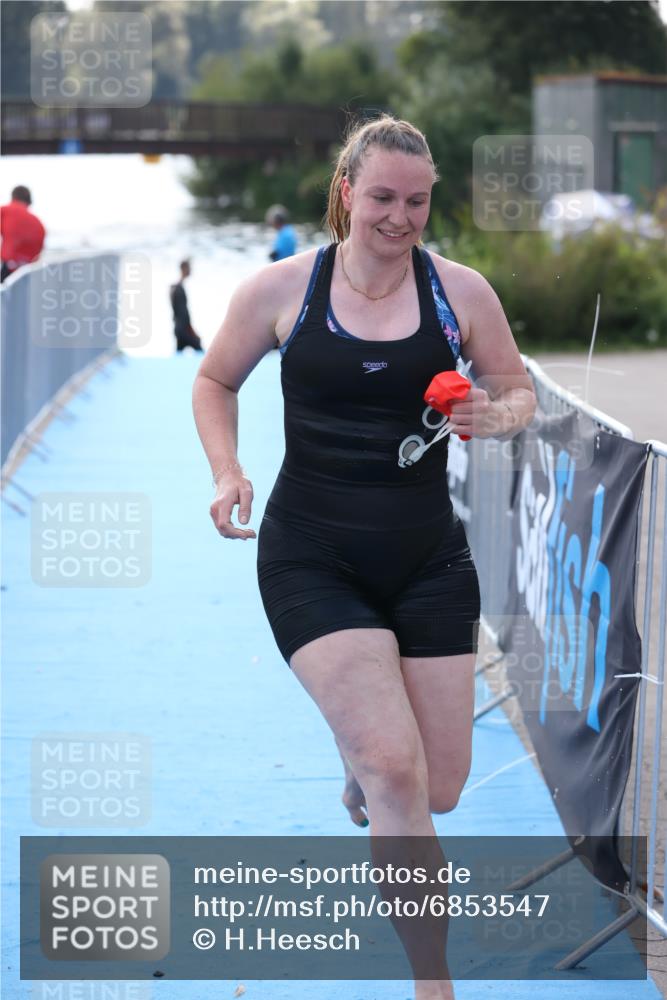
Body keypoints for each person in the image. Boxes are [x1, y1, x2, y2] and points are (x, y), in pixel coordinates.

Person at [193, 116, 536, 999]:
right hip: (311, 555)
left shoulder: (461, 292)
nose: (399, 216)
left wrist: (489, 417)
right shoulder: (281, 289)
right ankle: (433, 982)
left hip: (426, 559)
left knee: (441, 788)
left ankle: (360, 765)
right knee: (396, 771)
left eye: (417, 201)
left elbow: (515, 390)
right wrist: (228, 470)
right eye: (382, 196)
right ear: (347, 190)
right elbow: (214, 379)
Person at [0, 185, 46, 282]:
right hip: (28, 273)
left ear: (13, 197)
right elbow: (38, 251)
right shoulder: (38, 223)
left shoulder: (5, 211)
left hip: (8, 270)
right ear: (29, 201)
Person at [170, 259, 203, 353]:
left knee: (178, 354)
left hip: (178, 328)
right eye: (189, 268)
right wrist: (191, 330)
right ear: (184, 269)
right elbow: (182, 313)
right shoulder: (178, 289)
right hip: (183, 329)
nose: (191, 270)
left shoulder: (175, 288)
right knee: (198, 346)